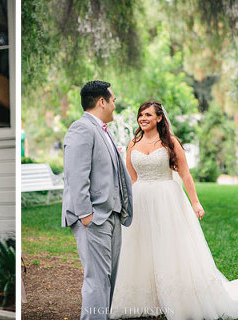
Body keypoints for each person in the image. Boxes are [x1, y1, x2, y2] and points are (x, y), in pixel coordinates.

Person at [110, 101, 238, 320]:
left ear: (159, 118)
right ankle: (144, 298)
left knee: (170, 246)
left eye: (148, 114)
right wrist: (129, 203)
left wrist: (196, 202)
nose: (143, 118)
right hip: (141, 198)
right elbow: (131, 177)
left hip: (167, 199)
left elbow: (186, 174)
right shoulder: (134, 143)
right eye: (141, 114)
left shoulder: (171, 142)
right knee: (141, 246)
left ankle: (177, 297)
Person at [61, 80, 133, 320]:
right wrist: (85, 214)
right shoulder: (81, 128)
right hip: (93, 219)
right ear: (101, 101)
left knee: (108, 279)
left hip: (110, 215)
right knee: (97, 280)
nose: (115, 104)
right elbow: (75, 174)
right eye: (113, 100)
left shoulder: (101, 129)